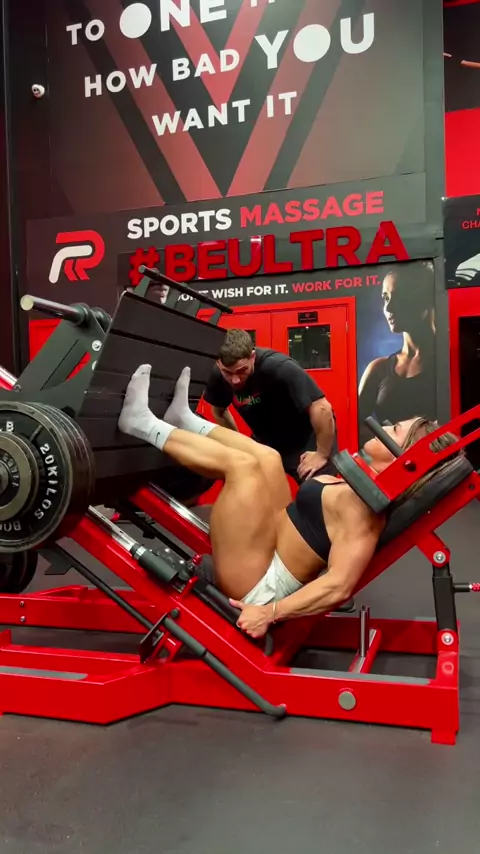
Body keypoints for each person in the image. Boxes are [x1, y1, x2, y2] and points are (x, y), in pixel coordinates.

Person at [118, 363, 459, 639]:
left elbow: (338, 587)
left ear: (404, 461)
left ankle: (141, 424)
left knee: (242, 468)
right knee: (268, 457)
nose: (385, 425)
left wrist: (269, 613)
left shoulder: (366, 516)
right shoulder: (364, 486)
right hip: (271, 545)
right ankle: (185, 421)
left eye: (395, 429)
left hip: (257, 584)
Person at [203, 328, 337, 482]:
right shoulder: (218, 375)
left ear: (252, 357)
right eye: (228, 372)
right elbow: (219, 412)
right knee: (247, 484)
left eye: (242, 371)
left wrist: (321, 454)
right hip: (266, 440)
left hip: (306, 438)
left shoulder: (278, 367)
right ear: (218, 363)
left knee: (316, 489)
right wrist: (240, 446)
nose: (235, 380)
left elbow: (321, 407)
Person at [358, 264, 436, 442]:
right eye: (385, 298)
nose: (388, 307)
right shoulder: (378, 369)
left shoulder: (449, 361)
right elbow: (355, 426)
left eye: (399, 297)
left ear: (425, 299)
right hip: (392, 459)